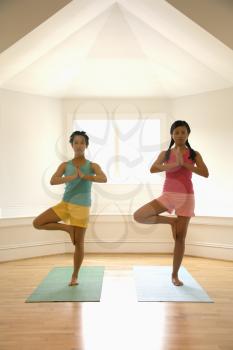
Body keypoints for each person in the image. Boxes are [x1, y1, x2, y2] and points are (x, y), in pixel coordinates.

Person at [133, 120, 209, 286]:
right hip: (168, 195)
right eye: (176, 132)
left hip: (187, 197)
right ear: (172, 135)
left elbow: (205, 173)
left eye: (183, 132)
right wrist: (175, 164)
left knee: (180, 238)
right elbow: (153, 169)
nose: (180, 135)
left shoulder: (194, 154)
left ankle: (175, 275)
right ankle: (171, 221)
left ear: (188, 134)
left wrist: (186, 165)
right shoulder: (166, 154)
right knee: (139, 215)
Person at [33, 131, 107, 286]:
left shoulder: (92, 165)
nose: (79, 145)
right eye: (76, 143)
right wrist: (71, 177)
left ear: (86, 145)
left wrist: (86, 176)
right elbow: (53, 180)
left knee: (78, 243)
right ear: (72, 145)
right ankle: (67, 228)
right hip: (65, 204)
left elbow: (103, 178)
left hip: (82, 207)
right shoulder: (65, 165)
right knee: (37, 223)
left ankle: (74, 276)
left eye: (82, 143)